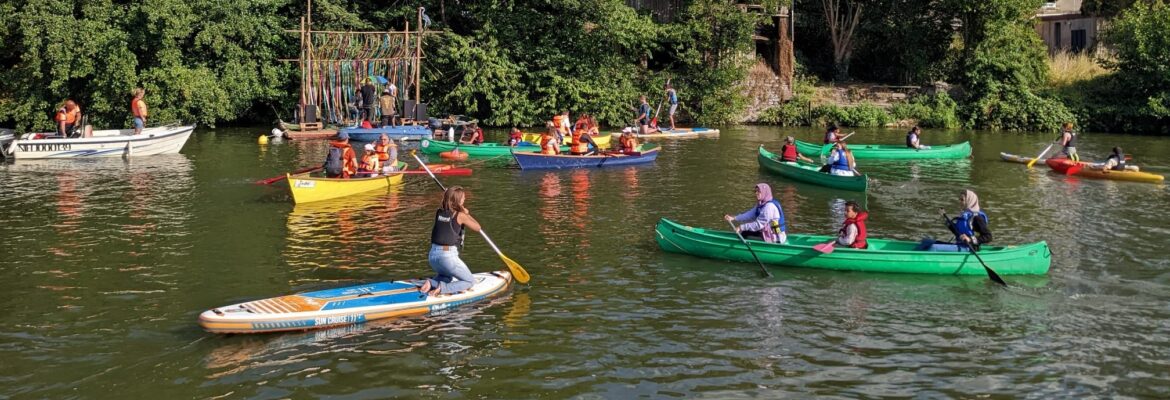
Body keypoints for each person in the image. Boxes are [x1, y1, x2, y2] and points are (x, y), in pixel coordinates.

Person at [418, 186, 484, 296]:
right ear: (458, 200)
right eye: (463, 197)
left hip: (433, 256)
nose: (465, 199)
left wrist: (449, 195)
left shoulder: (439, 212)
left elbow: (447, 206)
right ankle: (442, 288)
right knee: (469, 281)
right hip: (447, 257)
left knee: (447, 277)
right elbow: (477, 227)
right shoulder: (461, 215)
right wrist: (466, 214)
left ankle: (431, 283)